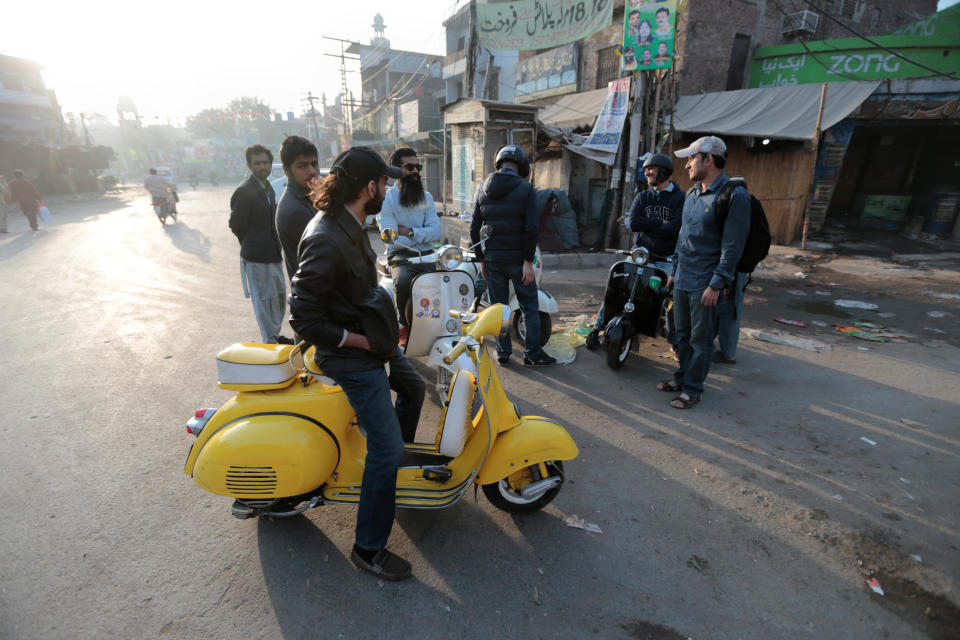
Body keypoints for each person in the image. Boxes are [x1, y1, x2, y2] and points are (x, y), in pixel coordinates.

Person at [289, 146, 426, 582]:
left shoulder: (351, 223)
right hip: (350, 355)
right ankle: (368, 548)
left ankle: (389, 479)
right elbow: (304, 318)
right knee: (384, 448)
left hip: (373, 341)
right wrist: (362, 339)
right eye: (384, 183)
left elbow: (354, 284)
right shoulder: (325, 236)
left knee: (415, 387)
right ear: (369, 188)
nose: (387, 189)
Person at [658, 136, 750, 410]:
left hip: (706, 284)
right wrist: (674, 270)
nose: (686, 165)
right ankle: (681, 377)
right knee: (680, 335)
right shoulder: (692, 193)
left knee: (701, 340)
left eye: (691, 158)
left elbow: (732, 247)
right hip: (683, 278)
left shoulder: (734, 196)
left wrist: (717, 283)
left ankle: (693, 389)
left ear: (708, 159)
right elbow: (683, 237)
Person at [585, 153, 684, 350]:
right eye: (646, 169)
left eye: (651, 169)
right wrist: (659, 222)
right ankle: (597, 329)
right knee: (616, 287)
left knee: (671, 298)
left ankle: (675, 340)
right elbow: (634, 223)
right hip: (639, 255)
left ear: (663, 172)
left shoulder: (679, 198)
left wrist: (652, 226)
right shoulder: (643, 196)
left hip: (666, 257)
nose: (647, 172)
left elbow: (675, 227)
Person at [470, 145, 556, 367]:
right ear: (521, 167)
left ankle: (503, 352)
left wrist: (481, 258)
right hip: (518, 261)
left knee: (498, 309)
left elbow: (474, 229)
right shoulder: (526, 189)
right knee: (529, 307)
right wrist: (528, 261)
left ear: (498, 164)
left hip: (493, 260)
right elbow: (531, 228)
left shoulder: (482, 188)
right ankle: (532, 353)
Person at [376, 148, 443, 342]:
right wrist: (421, 233)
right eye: (410, 167)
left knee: (443, 284)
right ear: (396, 170)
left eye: (418, 167)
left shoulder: (427, 197)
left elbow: (437, 232)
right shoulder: (386, 200)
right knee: (404, 281)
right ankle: (403, 325)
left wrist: (408, 231)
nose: (416, 171)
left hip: (427, 253)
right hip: (400, 255)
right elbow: (389, 237)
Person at [229, 144, 292, 345]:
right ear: (249, 165)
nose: (262, 166)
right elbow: (236, 225)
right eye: (257, 163)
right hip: (256, 257)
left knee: (279, 298)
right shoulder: (244, 191)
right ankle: (270, 342)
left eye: (265, 162)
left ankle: (274, 336)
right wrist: (251, 243)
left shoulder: (267, 188)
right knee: (265, 302)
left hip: (273, 254)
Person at [275, 135, 320, 281]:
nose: (312, 171)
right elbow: (324, 258)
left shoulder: (308, 197)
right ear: (286, 170)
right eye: (302, 166)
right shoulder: (295, 210)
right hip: (314, 295)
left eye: (314, 164)